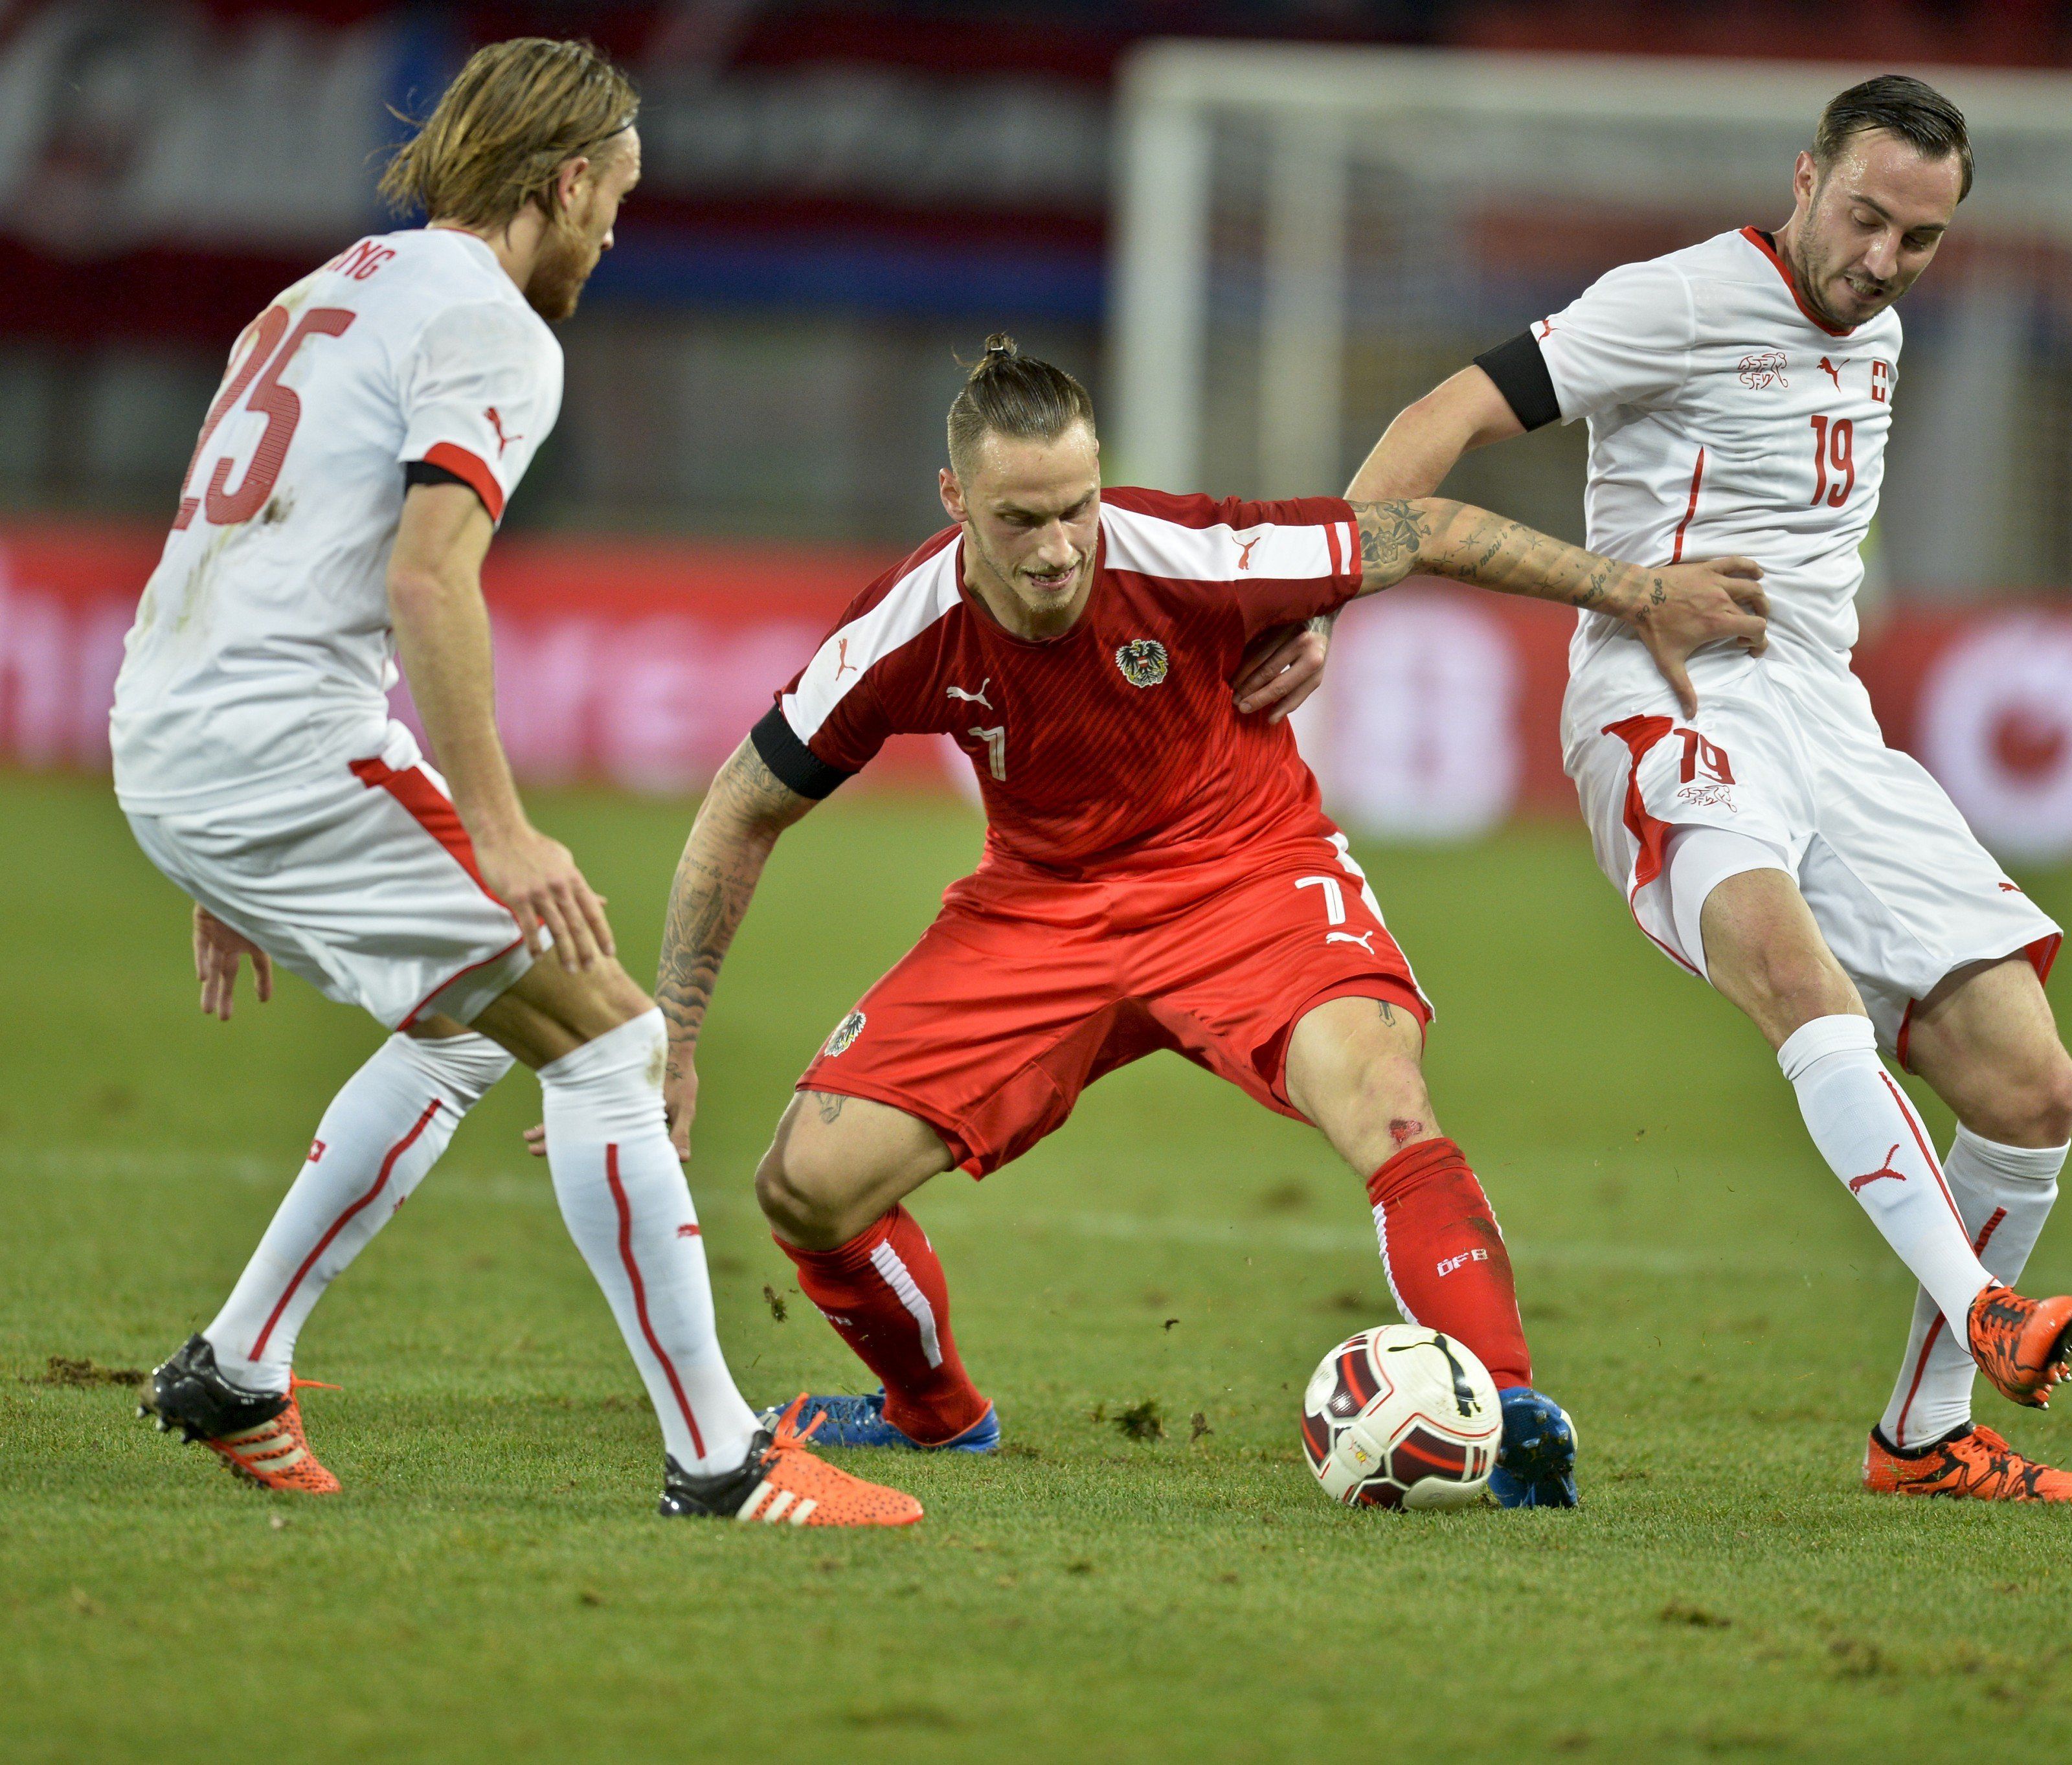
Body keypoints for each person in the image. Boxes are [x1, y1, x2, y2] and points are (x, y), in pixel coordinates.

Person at [647, 333, 1770, 1509]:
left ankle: (1501, 1407)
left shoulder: (1188, 551)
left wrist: (1640, 591)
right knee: (806, 1184)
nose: (1058, 548)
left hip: (1243, 874)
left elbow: (1422, 529)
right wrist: (675, 1038)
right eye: (1020, 519)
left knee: (1385, 1094)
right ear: (955, 500)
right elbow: (741, 806)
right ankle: (935, 1416)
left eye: (1077, 508)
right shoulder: (904, 627)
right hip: (1041, 909)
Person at [110, 38, 918, 1527]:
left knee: (469, 1033)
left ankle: (237, 1365)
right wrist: (498, 829)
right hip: (277, 744)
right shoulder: (493, 325)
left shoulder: (321, 292)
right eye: (617, 200)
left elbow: (242, 550)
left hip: (176, 727)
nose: (613, 236)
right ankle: (721, 1459)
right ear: (566, 180)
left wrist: (217, 842)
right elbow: (430, 581)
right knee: (612, 1044)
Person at [1330, 74, 2072, 1500]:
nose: (1881, 261)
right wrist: (1317, 598)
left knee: (2032, 1085)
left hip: (1828, 722)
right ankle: (1985, 1308)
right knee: (1797, 976)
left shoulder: (1879, 329)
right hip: (1665, 697)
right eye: (1863, 218)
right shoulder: (1676, 299)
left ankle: (1924, 1438)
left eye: (1919, 239)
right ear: (1804, 180)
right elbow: (1449, 408)